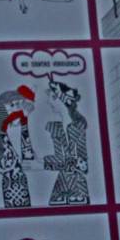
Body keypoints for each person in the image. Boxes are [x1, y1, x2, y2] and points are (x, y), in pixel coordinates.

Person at [43, 77, 89, 205]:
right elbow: (59, 157)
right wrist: (40, 161)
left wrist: (41, 163)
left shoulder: (78, 125)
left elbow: (79, 160)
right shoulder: (54, 127)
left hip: (77, 186)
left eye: (53, 97)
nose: (48, 102)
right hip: (61, 185)